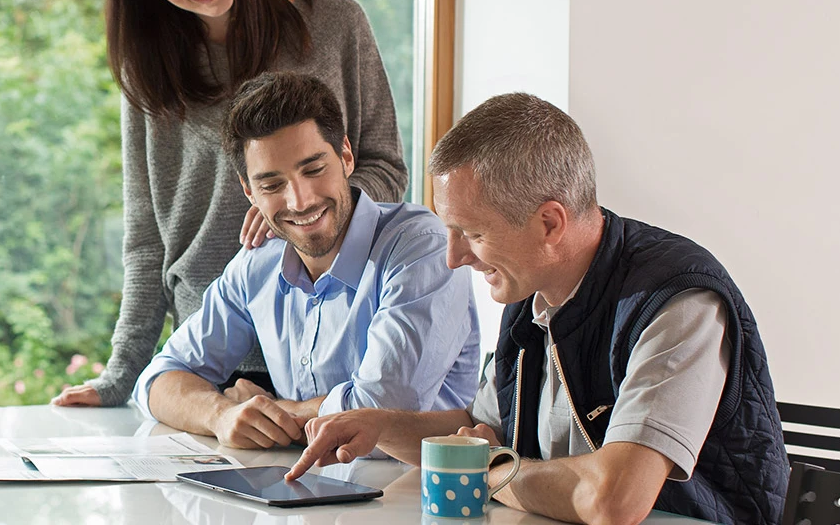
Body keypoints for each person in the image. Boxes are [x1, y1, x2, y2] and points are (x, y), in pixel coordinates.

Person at [286, 94, 787, 524]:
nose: (454, 257)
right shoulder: (532, 292)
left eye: (474, 234)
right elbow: (477, 427)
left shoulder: (677, 301)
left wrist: (493, 468)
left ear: (550, 222)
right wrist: (377, 425)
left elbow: (614, 501)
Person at [52, 0, 408, 408]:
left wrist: (299, 205)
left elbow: (385, 167)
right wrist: (123, 372)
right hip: (209, 350)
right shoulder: (149, 73)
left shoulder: (334, 24)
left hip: (333, 333)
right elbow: (147, 236)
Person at [133, 72, 476, 448]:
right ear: (249, 191)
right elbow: (158, 381)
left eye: (313, 170)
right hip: (305, 491)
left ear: (346, 156)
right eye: (272, 185)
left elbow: (378, 414)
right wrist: (220, 414)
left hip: (418, 493)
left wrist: (275, 410)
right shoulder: (256, 267)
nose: (300, 201)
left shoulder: (420, 248)